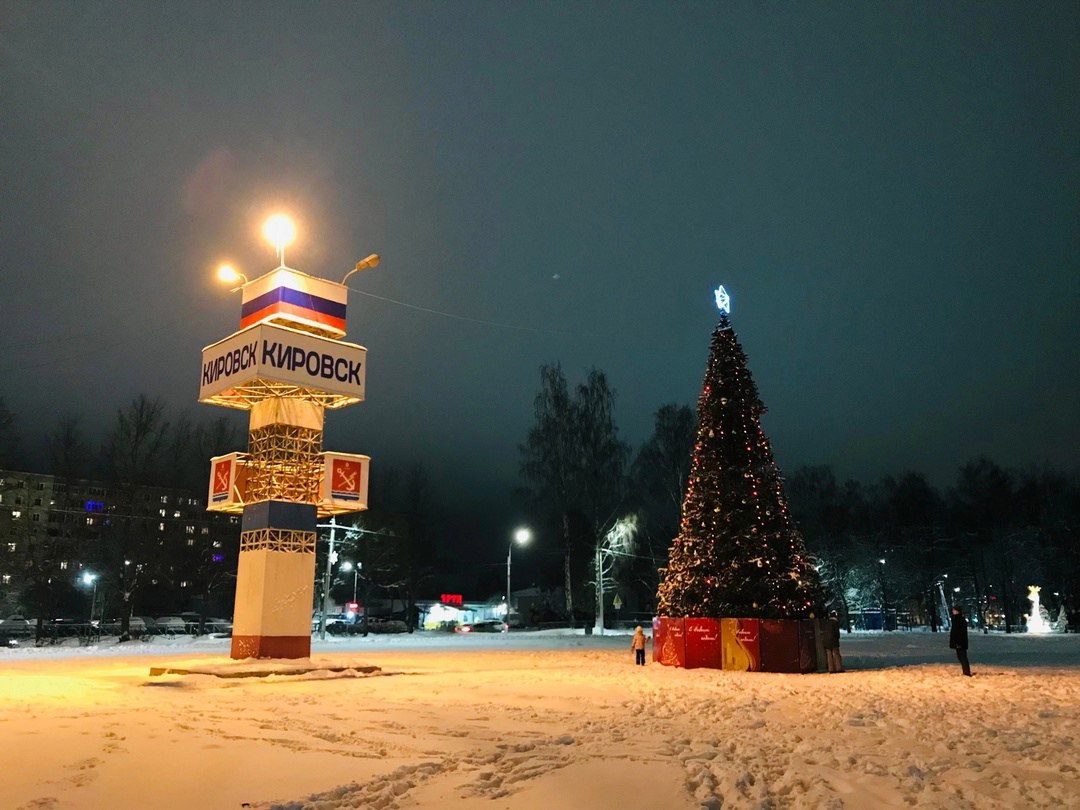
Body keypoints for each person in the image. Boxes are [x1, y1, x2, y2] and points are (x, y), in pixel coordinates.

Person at [949, 606, 972, 676]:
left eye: (954, 610)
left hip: (960, 642)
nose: (952, 611)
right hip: (960, 641)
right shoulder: (958, 619)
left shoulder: (958, 619)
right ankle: (966, 671)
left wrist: (958, 642)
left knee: (962, 656)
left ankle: (966, 672)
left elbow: (959, 632)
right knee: (961, 656)